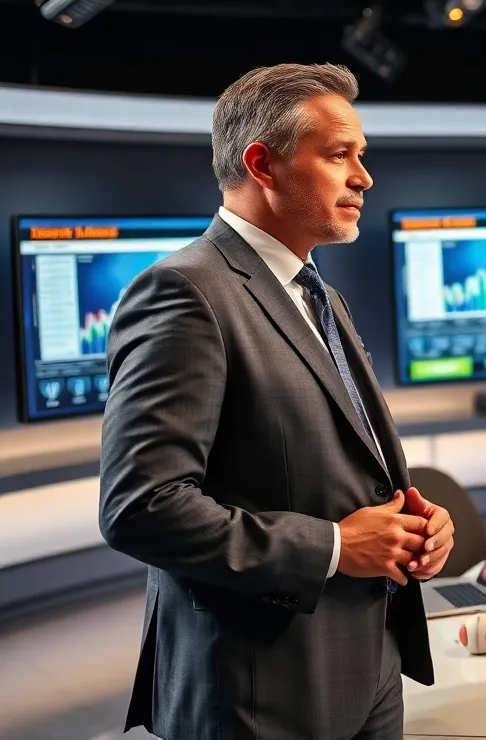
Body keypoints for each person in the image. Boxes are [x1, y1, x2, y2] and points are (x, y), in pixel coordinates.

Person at [99, 64, 455, 740]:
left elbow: (341, 456)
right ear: (262, 164)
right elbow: (141, 507)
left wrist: (415, 523)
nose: (363, 177)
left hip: (368, 660)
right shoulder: (185, 292)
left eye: (362, 156)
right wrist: (333, 546)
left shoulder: (319, 294)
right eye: (339, 154)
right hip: (260, 690)